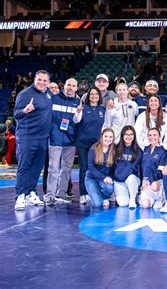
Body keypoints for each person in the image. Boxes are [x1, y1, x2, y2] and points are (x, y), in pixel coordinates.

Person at [14, 70, 52, 211]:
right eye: (39, 80)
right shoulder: (25, 95)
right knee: (24, 166)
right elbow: (16, 115)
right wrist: (25, 110)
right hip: (27, 137)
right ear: (34, 80)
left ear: (48, 82)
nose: (42, 83)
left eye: (44, 80)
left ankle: (31, 192)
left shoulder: (48, 94)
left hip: (43, 138)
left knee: (37, 167)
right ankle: (20, 195)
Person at [44, 78, 81, 206]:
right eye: (68, 85)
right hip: (55, 139)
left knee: (66, 168)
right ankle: (50, 195)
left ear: (76, 88)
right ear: (63, 86)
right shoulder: (53, 99)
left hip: (70, 140)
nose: (71, 87)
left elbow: (78, 122)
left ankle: (62, 193)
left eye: (73, 86)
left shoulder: (78, 102)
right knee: (53, 168)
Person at [75, 86, 106, 204]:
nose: (94, 96)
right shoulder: (82, 108)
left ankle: (97, 193)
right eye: (91, 94)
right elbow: (76, 120)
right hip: (83, 143)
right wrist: (77, 112)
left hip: (97, 144)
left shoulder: (102, 110)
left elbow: (105, 126)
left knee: (97, 168)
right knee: (84, 168)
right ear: (88, 96)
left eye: (96, 94)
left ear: (99, 96)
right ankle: (83, 193)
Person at [140, 128, 167, 212]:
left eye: (155, 135)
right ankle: (152, 200)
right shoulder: (145, 150)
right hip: (146, 182)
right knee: (145, 205)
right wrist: (143, 182)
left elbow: (160, 172)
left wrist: (150, 181)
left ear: (159, 137)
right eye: (150, 135)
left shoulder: (163, 152)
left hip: (158, 181)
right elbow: (142, 168)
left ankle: (161, 199)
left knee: (155, 186)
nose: (152, 137)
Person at [113, 126, 143, 209]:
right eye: (126, 134)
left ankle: (133, 198)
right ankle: (127, 194)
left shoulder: (138, 151)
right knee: (123, 203)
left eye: (131, 134)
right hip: (119, 181)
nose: (129, 137)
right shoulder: (115, 149)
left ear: (134, 136)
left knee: (132, 178)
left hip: (131, 180)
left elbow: (140, 169)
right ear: (122, 135)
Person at [84, 128, 116, 208]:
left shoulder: (114, 149)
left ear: (113, 138)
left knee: (109, 188)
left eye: (110, 137)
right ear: (101, 137)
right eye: (106, 136)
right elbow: (91, 168)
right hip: (91, 178)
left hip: (105, 178)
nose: (108, 139)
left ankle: (105, 197)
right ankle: (93, 192)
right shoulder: (93, 149)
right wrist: (104, 177)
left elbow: (115, 167)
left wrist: (111, 178)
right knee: (97, 204)